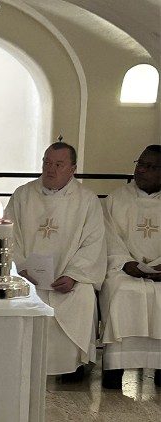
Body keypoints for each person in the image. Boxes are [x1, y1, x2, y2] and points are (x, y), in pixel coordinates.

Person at [5, 142, 106, 381]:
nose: (50, 169)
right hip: (26, 276)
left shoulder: (87, 200)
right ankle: (18, 360)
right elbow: (8, 234)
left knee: (82, 297)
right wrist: (20, 267)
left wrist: (73, 275)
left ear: (72, 169)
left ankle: (72, 366)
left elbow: (94, 243)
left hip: (68, 280)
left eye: (58, 164)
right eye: (46, 163)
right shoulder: (23, 194)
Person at [99, 145, 161, 389]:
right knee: (123, 293)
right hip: (123, 270)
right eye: (140, 164)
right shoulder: (116, 199)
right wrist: (126, 262)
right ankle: (115, 369)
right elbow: (107, 236)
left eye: (150, 167)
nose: (142, 171)